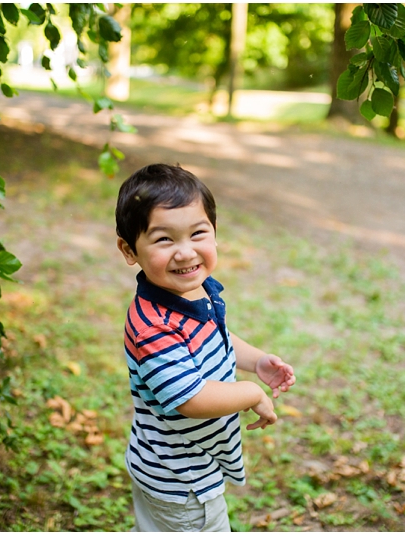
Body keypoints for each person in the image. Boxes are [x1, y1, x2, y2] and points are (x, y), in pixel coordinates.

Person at [115, 163, 296, 532]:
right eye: (164, 240)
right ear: (129, 249)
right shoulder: (154, 326)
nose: (185, 253)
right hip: (181, 479)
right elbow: (191, 399)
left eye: (197, 233)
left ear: (215, 233)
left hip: (183, 463)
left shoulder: (193, 290)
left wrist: (256, 361)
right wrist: (250, 393)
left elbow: (216, 335)